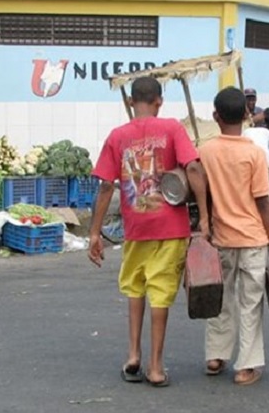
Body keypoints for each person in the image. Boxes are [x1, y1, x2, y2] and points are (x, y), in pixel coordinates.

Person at [88, 77, 209, 387]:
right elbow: (193, 168)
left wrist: (94, 233)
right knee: (161, 293)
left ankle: (133, 355)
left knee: (134, 287)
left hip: (135, 228)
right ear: (159, 101)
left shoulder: (117, 136)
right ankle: (155, 367)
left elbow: (105, 185)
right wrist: (205, 218)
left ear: (131, 102)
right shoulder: (171, 129)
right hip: (170, 228)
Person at [200, 86, 269, 386]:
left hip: (220, 238)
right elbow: (264, 202)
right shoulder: (254, 153)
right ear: (248, 115)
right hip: (253, 239)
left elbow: (202, 192)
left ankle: (216, 355)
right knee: (250, 302)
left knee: (219, 297)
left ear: (216, 116)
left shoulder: (206, 151)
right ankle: (246, 366)